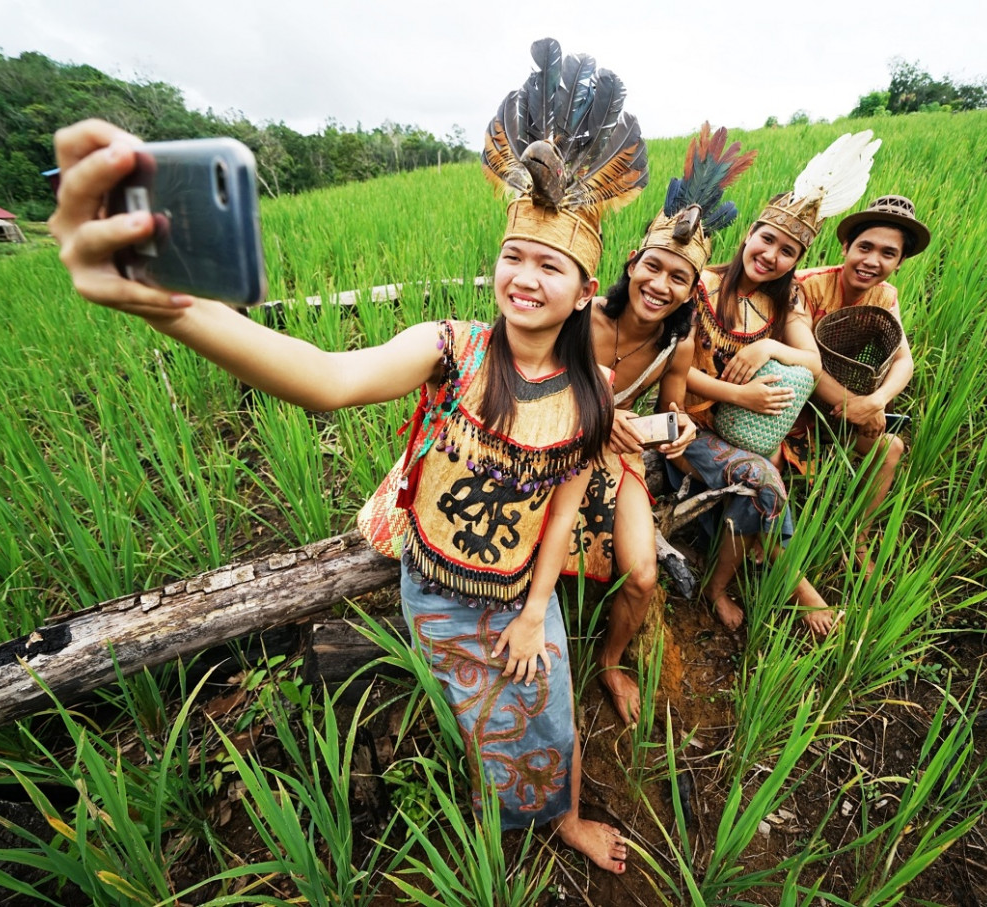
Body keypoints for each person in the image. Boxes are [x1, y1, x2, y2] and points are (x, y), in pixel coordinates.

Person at [46, 38, 646, 875]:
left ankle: (564, 815)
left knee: (547, 709)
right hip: (434, 580)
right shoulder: (450, 348)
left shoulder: (592, 394)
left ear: (586, 290)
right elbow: (327, 379)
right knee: (474, 709)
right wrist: (172, 307)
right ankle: (493, 801)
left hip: (519, 590)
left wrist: (533, 606)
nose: (523, 276)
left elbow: (562, 504)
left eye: (550, 264)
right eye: (514, 255)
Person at [564, 123, 753, 724]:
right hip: (551, 444)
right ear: (633, 262)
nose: (661, 285)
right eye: (655, 268)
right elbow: (532, 382)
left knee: (644, 577)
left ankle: (611, 661)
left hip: (616, 453)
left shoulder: (679, 341)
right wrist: (597, 412)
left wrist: (680, 428)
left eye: (679, 278)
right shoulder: (581, 316)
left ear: (693, 289)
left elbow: (671, 404)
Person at [676, 132, 881, 638]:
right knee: (765, 481)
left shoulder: (784, 305)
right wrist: (739, 394)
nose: (770, 255)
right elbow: (671, 372)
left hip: (740, 431)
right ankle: (785, 586)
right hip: (688, 424)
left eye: (787, 251)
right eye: (767, 239)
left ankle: (725, 582)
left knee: (764, 479)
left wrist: (767, 348)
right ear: (750, 233)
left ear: (795, 261)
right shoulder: (702, 286)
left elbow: (811, 364)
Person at [795, 195, 930, 573]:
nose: (872, 261)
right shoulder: (807, 287)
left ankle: (858, 536)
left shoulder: (886, 296)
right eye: (864, 247)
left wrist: (877, 402)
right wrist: (858, 408)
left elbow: (904, 359)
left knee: (891, 449)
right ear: (845, 247)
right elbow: (807, 367)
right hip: (792, 405)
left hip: (842, 410)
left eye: (888, 253)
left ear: (900, 263)